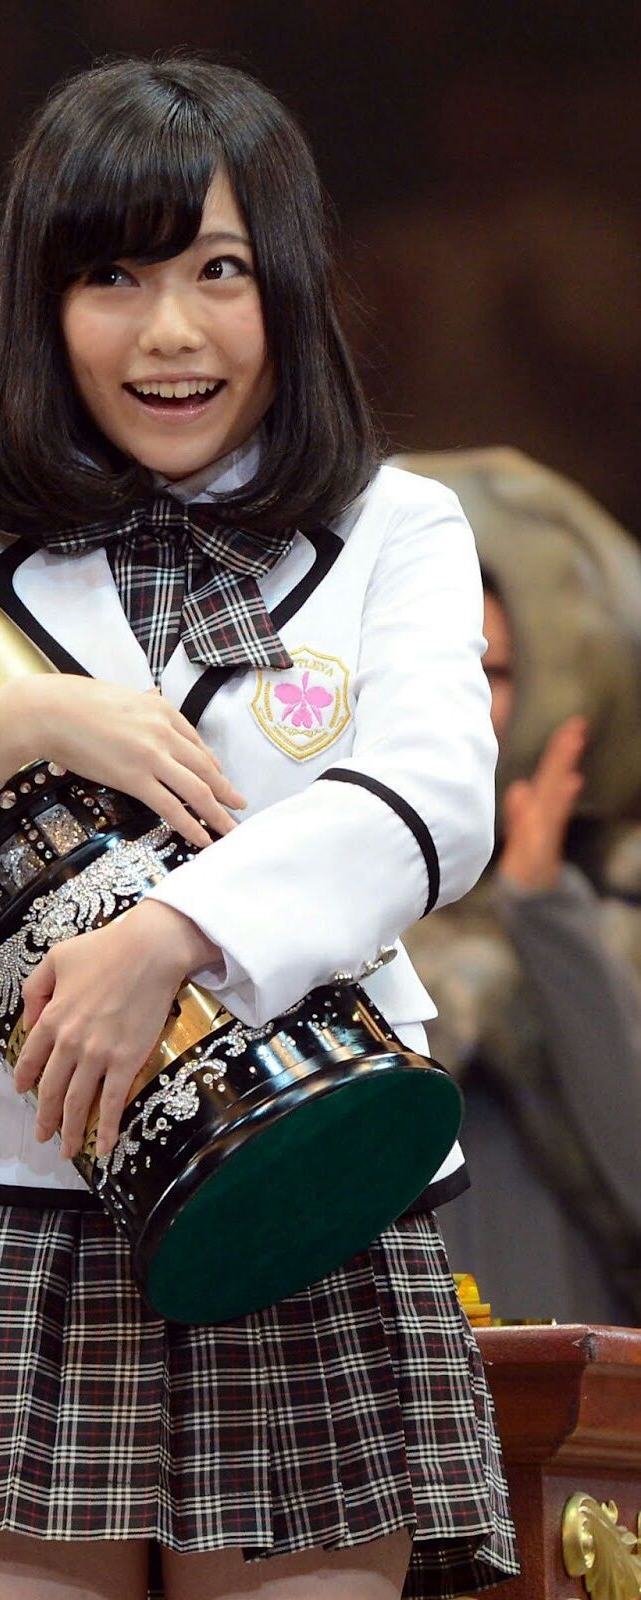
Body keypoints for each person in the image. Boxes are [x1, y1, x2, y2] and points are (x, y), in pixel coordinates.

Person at [0, 57, 517, 1600]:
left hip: (303, 1178)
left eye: (218, 271)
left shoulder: (392, 523)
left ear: (286, 285)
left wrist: (171, 936)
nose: (169, 331)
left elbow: (434, 799)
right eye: (113, 276)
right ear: (45, 299)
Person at [398, 448, 641, 1326]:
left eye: (493, 671)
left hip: (569, 1365)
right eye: (436, 664)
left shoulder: (612, 905)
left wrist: (542, 910)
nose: (465, 700)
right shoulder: (307, 909)